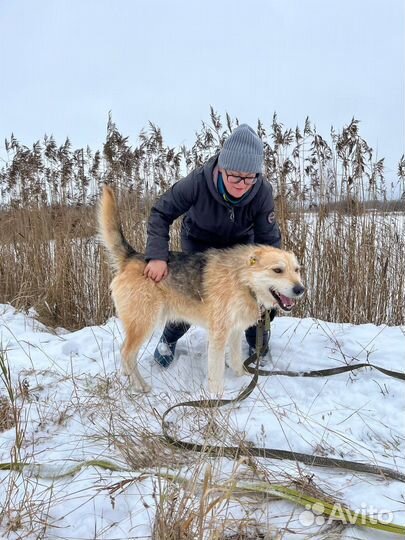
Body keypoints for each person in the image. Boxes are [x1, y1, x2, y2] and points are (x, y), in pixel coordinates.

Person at [143, 123, 281, 367]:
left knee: (257, 290)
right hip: (200, 241)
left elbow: (268, 242)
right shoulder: (196, 182)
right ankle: (169, 339)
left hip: (240, 246)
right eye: (235, 177)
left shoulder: (262, 192)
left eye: (249, 178)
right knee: (192, 293)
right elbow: (160, 213)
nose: (242, 184)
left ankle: (257, 337)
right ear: (221, 168)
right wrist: (156, 255)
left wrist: (272, 277)